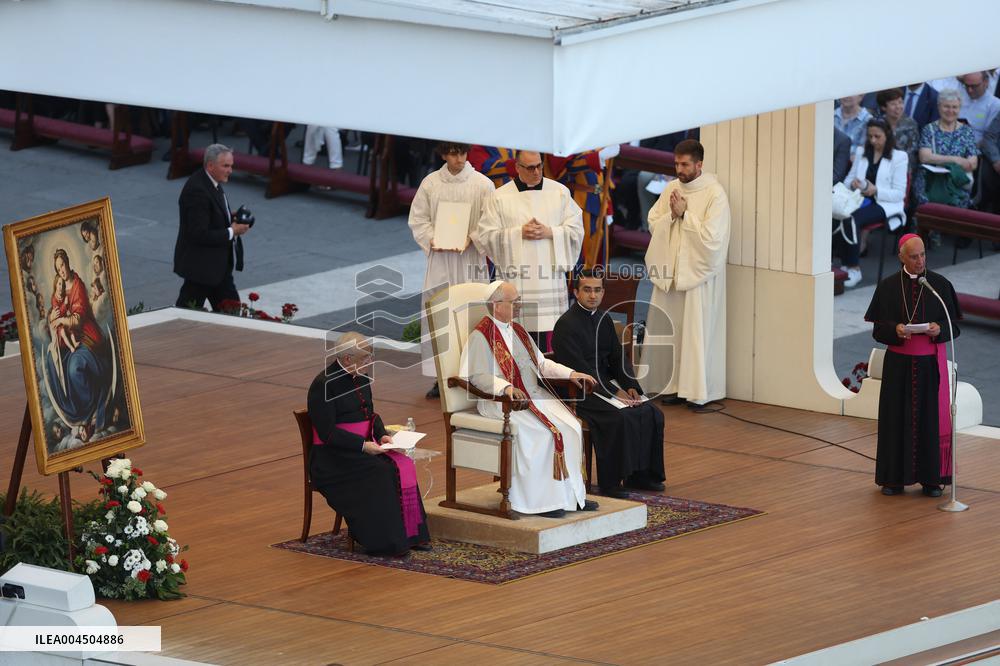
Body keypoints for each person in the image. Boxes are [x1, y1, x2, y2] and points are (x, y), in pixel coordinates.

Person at [459, 281, 598, 517]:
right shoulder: (480, 336)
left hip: (533, 397)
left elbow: (541, 363)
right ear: (496, 306)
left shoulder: (518, 331)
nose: (520, 306)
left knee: (572, 426)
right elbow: (476, 376)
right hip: (501, 404)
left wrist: (571, 373)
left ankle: (571, 497)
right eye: (514, 302)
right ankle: (540, 502)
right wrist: (505, 387)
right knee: (542, 434)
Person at [306, 332, 431, 556]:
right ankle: (387, 542)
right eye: (365, 358)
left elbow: (371, 414)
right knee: (381, 471)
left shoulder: (361, 378)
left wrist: (381, 435)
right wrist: (363, 446)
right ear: (346, 360)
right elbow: (327, 433)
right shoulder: (323, 385)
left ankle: (413, 534)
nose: (369, 362)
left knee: (403, 464)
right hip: (332, 458)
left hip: (361, 448)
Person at [551, 270, 666, 498]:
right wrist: (615, 392)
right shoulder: (566, 325)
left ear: (603, 292)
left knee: (651, 412)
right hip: (581, 391)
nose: (592, 295)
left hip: (606, 384)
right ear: (575, 292)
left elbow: (617, 358)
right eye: (587, 289)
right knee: (619, 418)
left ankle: (641, 475)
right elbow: (581, 369)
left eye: (597, 290)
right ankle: (611, 483)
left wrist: (631, 386)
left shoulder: (604, 319)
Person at [864, 234, 961, 497]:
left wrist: (939, 329)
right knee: (895, 419)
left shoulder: (939, 285)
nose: (920, 261)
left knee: (929, 419)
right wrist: (894, 329)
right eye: (914, 257)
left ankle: (931, 480)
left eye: (923, 255)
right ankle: (893, 479)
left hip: (929, 364)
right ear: (902, 258)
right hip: (898, 365)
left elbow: (954, 325)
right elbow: (877, 330)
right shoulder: (887, 287)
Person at [642, 139, 731, 406]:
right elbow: (653, 221)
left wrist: (684, 215)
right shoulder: (671, 187)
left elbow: (714, 240)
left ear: (699, 164)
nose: (679, 169)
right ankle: (670, 385)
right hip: (670, 274)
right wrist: (671, 216)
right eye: (676, 163)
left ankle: (695, 391)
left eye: (684, 164)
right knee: (670, 330)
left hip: (696, 277)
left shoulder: (715, 194)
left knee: (694, 333)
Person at [408, 141, 494, 398]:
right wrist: (432, 238)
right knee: (440, 315)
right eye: (454, 153)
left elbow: (491, 221)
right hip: (440, 261)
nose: (459, 159)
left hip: (469, 260)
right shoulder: (431, 183)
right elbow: (418, 219)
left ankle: (474, 375)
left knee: (471, 314)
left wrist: (473, 238)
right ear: (444, 154)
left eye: (463, 153)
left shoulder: (482, 184)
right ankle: (441, 377)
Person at [478, 150, 584, 351]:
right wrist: (518, 233)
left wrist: (550, 231)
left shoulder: (559, 192)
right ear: (517, 168)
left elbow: (576, 229)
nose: (536, 172)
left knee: (550, 339)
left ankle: (549, 379)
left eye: (539, 166)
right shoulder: (500, 197)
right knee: (518, 337)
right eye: (530, 167)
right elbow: (485, 235)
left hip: (549, 278)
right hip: (518, 278)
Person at [173, 144, 251, 311]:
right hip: (201, 270)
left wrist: (230, 216)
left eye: (231, 165)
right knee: (185, 315)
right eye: (226, 166)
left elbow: (209, 215)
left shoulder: (211, 181)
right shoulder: (197, 191)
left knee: (232, 314)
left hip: (217, 269)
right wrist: (233, 231)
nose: (230, 170)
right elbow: (198, 234)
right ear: (210, 165)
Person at [836, 119, 909, 288]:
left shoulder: (899, 157)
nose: (873, 140)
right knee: (838, 214)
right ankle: (844, 264)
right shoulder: (862, 151)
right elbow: (849, 178)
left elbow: (899, 194)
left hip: (885, 203)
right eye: (870, 136)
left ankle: (854, 268)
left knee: (852, 219)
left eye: (878, 136)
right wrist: (852, 184)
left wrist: (876, 190)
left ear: (887, 135)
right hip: (860, 198)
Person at [913, 90, 979, 209]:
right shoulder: (929, 129)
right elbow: (924, 157)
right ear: (939, 107)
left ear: (959, 109)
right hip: (930, 182)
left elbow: (973, 163)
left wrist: (938, 159)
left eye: (955, 107)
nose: (950, 111)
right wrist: (956, 160)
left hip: (956, 184)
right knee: (927, 214)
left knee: (956, 218)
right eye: (946, 106)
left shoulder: (967, 131)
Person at [876, 88, 920, 174]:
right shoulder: (878, 123)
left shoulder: (911, 124)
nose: (898, 107)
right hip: (880, 167)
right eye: (893, 104)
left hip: (904, 169)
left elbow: (912, 152)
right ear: (883, 107)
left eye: (900, 102)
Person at [956, 71, 1000, 145]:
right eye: (966, 86)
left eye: (974, 86)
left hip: (977, 150)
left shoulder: (995, 105)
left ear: (986, 82)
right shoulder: (959, 99)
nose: (970, 90)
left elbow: (990, 139)